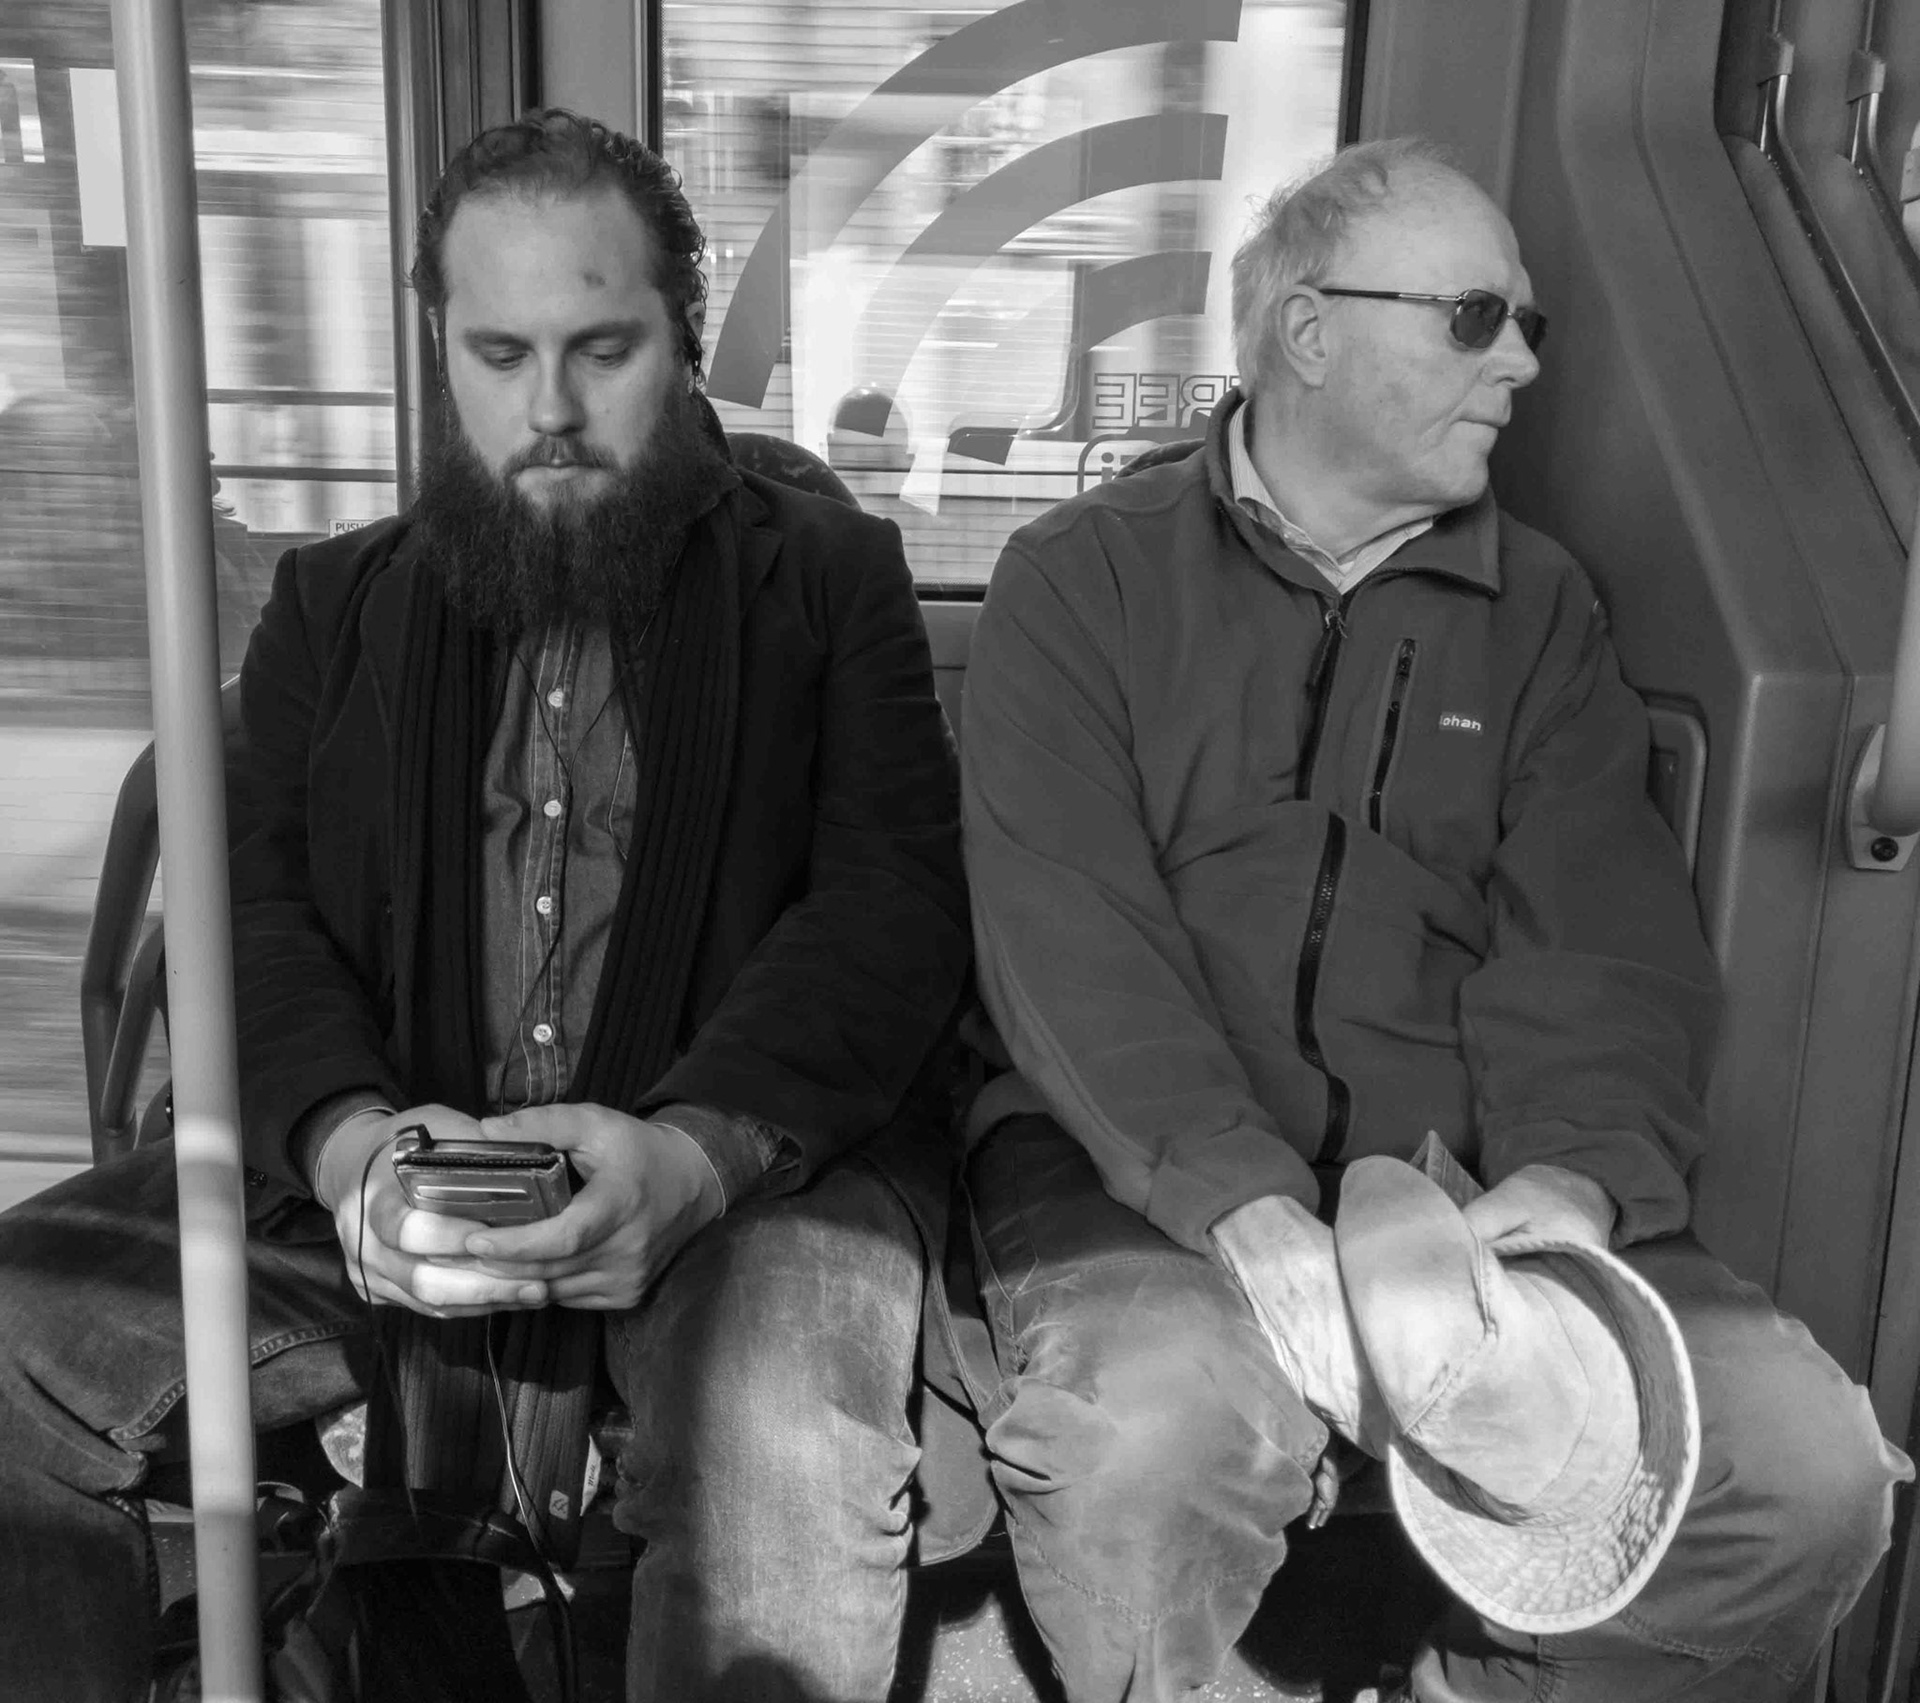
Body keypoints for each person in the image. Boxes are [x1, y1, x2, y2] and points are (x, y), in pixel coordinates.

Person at [0, 109, 972, 1702]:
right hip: (379, 1161)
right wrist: (350, 1150)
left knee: (782, 1444)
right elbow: (249, 925)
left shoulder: (834, 580)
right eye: (499, 352)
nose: (551, 412)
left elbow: (889, 911)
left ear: (689, 325)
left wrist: (692, 1154)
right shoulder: (326, 607)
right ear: (437, 338)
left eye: (604, 349)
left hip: (737, 1172)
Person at [957, 136, 1913, 1703]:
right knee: (1152, 1440)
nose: (1525, 363)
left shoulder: (1538, 611)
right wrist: (1241, 1201)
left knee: (1813, 1475)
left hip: (1458, 1182)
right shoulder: (1084, 579)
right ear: (1309, 332)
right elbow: (1068, 927)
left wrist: (1573, 1181)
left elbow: (1598, 945)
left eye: (1531, 323)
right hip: (1132, 1162)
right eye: (1479, 316)